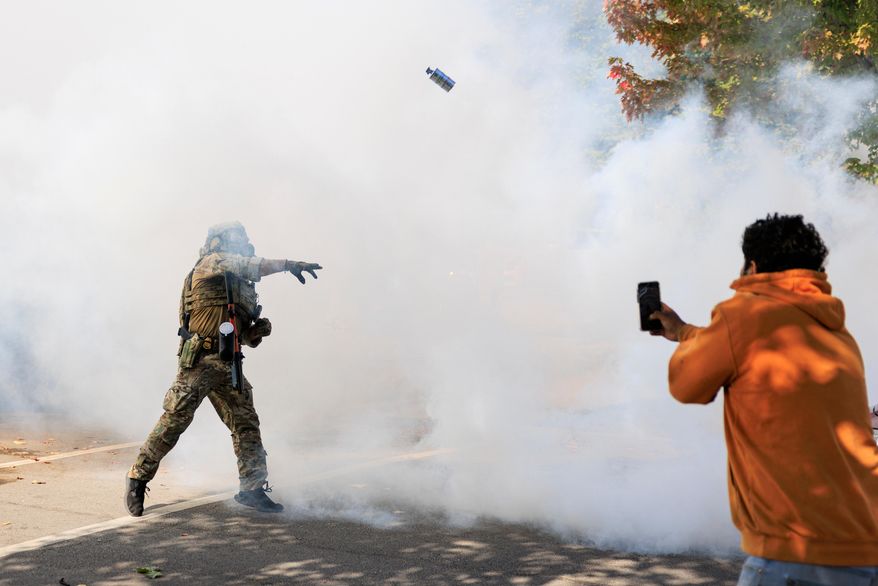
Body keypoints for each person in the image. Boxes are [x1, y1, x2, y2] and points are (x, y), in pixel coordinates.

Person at [650, 214, 878, 585]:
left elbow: (686, 384)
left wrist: (692, 340)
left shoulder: (744, 315)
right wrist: (685, 333)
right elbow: (747, 349)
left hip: (796, 553)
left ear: (753, 266)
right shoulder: (835, 331)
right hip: (866, 545)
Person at [125, 221, 322, 516]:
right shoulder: (212, 263)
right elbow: (249, 265)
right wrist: (288, 265)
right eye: (235, 240)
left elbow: (243, 336)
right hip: (200, 362)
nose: (240, 244)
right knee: (175, 420)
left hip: (228, 365)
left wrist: (256, 332)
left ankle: (252, 489)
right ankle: (137, 479)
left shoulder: (242, 287)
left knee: (246, 424)